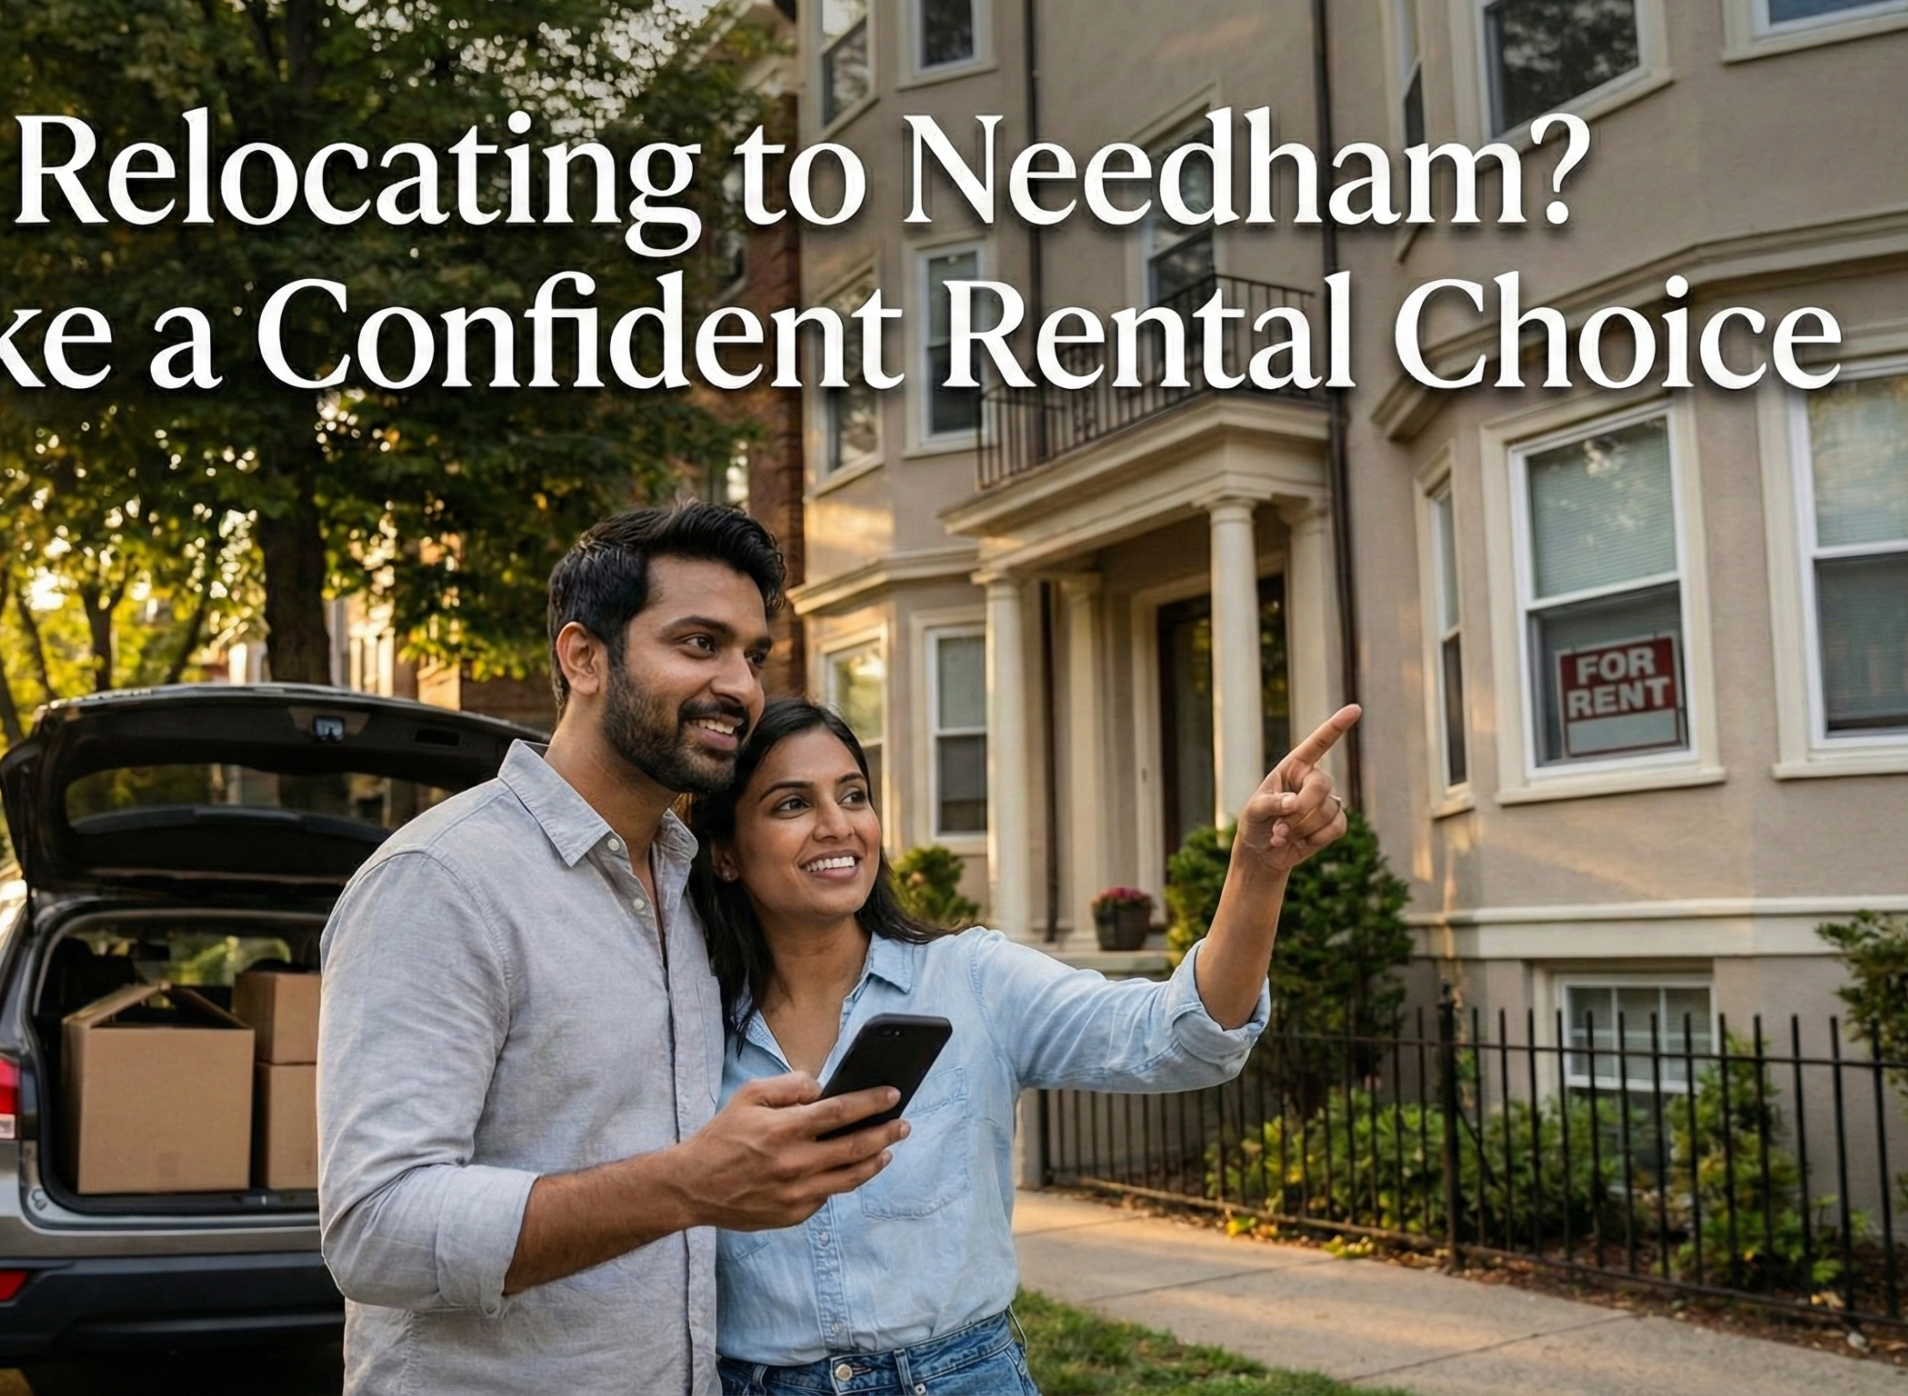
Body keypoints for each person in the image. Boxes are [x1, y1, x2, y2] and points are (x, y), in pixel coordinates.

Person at [317, 503, 911, 1396]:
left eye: (752, 654)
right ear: (583, 657)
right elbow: (375, 1229)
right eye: (699, 642)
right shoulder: (442, 880)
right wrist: (687, 1185)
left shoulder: (686, 880)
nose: (741, 686)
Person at [688, 696, 1362, 1396]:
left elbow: (1182, 1037)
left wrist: (1257, 870)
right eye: (791, 805)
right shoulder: (684, 1021)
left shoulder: (971, 977)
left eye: (853, 795)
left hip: (959, 1380)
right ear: (726, 852)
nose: (838, 826)